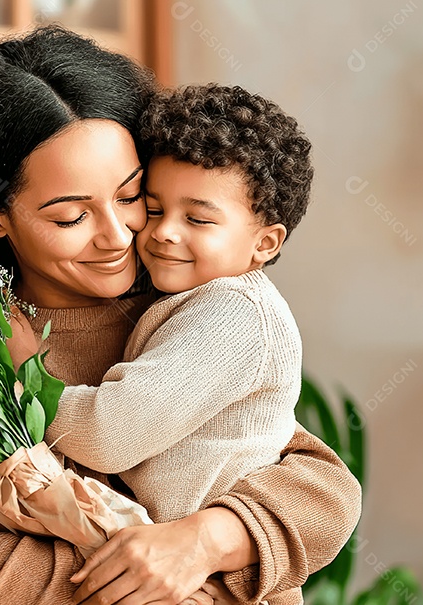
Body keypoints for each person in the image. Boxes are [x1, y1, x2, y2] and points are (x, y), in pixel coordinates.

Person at [0, 25, 362, 605]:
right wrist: (172, 574)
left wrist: (205, 539)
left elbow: (321, 488)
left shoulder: (187, 306)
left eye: (130, 197)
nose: (121, 235)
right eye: (72, 216)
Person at [45, 83, 311, 526]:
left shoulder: (236, 314)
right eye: (151, 208)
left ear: (265, 242)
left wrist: (19, 371)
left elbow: (109, 434)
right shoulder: (184, 291)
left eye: (198, 219)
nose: (164, 232)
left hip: (218, 588)